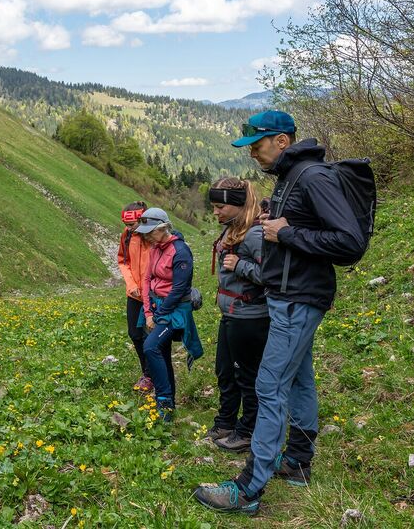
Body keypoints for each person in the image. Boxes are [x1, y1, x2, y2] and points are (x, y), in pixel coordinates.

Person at [194, 111, 366, 514]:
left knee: (269, 386)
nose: (252, 154)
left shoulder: (313, 177)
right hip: (290, 294)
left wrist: (284, 232)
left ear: (282, 141)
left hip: (299, 297)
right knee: (299, 380)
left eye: (257, 145)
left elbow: (349, 243)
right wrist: (281, 229)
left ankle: (248, 489)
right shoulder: (292, 178)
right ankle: (298, 462)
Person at [205, 178, 269, 454]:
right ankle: (226, 422)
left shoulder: (254, 235)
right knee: (225, 372)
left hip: (250, 318)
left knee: (247, 376)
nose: (215, 212)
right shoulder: (233, 229)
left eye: (220, 206)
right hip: (231, 315)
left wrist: (240, 265)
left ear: (237, 205)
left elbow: (272, 275)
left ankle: (247, 431)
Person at [134, 208, 202, 423]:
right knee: (161, 352)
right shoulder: (155, 248)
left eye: (150, 231)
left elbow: (180, 288)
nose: (146, 236)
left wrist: (158, 315)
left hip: (174, 310)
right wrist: (147, 312)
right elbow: (146, 280)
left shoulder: (180, 251)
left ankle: (164, 401)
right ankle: (168, 402)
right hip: (154, 305)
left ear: (163, 228)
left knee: (151, 347)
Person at [116, 201, 153, 392]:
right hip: (134, 294)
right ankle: (147, 373)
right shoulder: (127, 235)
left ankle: (155, 374)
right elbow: (123, 260)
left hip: (153, 295)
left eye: (131, 225)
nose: (128, 228)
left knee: (152, 336)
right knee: (135, 334)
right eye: (127, 225)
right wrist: (131, 284)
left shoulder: (154, 235)